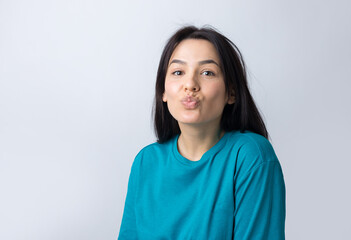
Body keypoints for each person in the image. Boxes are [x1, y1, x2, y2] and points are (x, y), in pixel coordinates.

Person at [118, 25, 286, 240]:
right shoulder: (146, 162)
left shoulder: (250, 156)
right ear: (163, 91)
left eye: (207, 72)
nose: (190, 84)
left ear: (231, 93)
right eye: (178, 72)